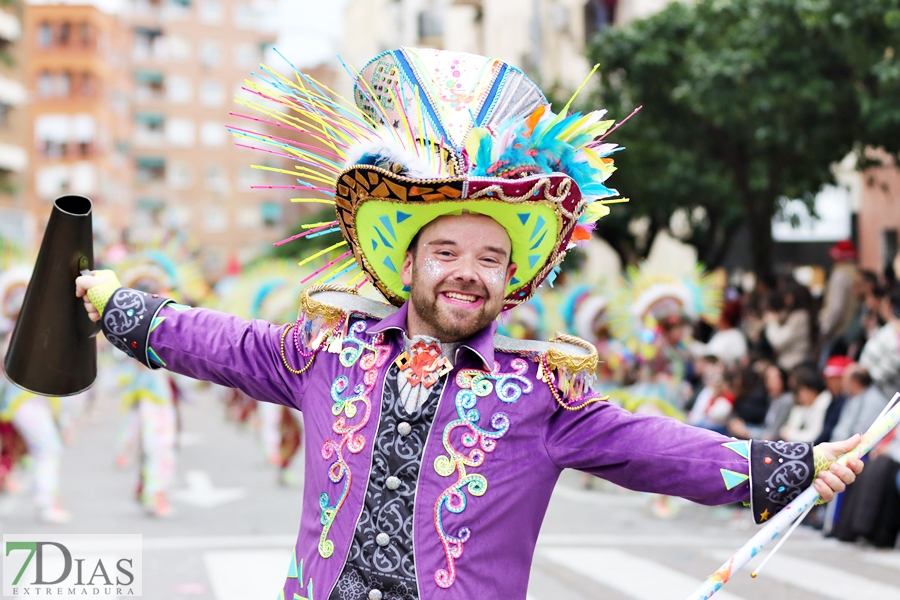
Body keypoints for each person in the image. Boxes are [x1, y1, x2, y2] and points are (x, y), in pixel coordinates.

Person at [74, 48, 861, 600]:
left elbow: (653, 448)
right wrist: (123, 307)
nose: (465, 271)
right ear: (407, 265)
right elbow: (222, 343)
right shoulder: (328, 354)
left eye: (489, 257)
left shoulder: (539, 394)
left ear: (510, 278)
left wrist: (788, 467)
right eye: (444, 248)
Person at [819, 240, 861, 362]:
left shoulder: (839, 275)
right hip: (852, 331)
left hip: (838, 333)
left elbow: (836, 308)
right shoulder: (856, 272)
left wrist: (825, 329)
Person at [728, 363, 792, 440]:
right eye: (768, 378)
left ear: (783, 380)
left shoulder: (786, 400)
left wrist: (746, 432)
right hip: (763, 429)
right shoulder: (771, 397)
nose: (770, 382)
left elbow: (772, 434)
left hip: (774, 438)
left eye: (774, 379)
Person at [830, 365, 888, 442]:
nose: (842, 383)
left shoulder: (872, 400)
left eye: (845, 379)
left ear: (855, 382)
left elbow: (861, 431)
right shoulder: (852, 397)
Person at [764, 282, 813, 371]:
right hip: (791, 362)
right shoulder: (794, 314)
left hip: (794, 363)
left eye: (789, 296)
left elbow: (779, 341)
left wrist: (772, 323)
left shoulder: (800, 316)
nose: (786, 299)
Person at [781, 367, 831, 443]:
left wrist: (791, 435)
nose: (799, 395)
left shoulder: (823, 403)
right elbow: (788, 429)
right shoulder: (803, 406)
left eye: (801, 391)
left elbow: (814, 435)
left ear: (812, 391)